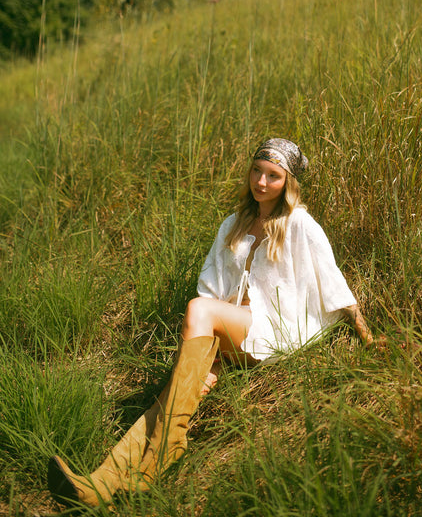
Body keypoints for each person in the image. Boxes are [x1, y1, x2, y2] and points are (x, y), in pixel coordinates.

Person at [48, 138, 373, 507]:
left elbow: (334, 283)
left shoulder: (299, 223)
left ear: (289, 183)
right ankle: (100, 485)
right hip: (230, 334)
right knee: (170, 397)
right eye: (256, 171)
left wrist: (368, 337)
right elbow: (210, 285)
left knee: (199, 311)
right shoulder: (233, 224)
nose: (261, 182)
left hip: (273, 331)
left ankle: (160, 456)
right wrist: (209, 353)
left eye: (273, 176)